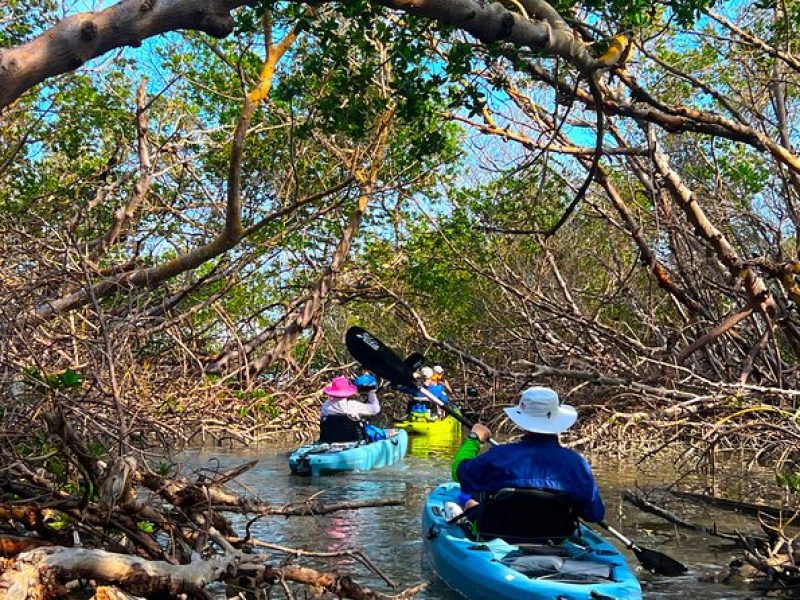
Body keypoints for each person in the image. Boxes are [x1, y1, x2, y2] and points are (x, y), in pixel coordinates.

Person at [450, 386, 604, 534]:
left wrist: (474, 438)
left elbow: (459, 472)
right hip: (556, 538)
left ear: (522, 421)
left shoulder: (498, 456)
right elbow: (594, 514)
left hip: (497, 533)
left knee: (471, 503)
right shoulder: (577, 464)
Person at [319, 376, 380, 443]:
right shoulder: (352, 405)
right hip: (354, 440)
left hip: (330, 440)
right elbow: (375, 409)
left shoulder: (325, 406)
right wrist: (372, 393)